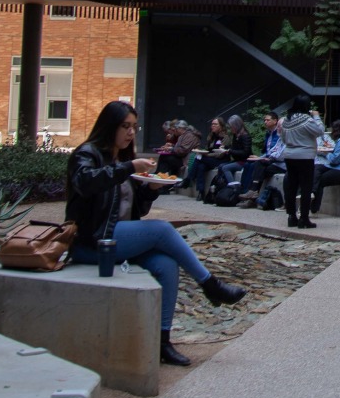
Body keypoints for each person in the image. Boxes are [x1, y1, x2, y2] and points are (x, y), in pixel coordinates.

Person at [67, 101, 245, 366]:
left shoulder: (123, 159)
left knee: (166, 263)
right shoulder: (88, 153)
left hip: (117, 236)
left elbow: (134, 209)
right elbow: (85, 182)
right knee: (162, 230)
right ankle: (210, 284)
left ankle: (163, 341)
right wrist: (128, 169)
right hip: (93, 240)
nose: (130, 132)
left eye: (134, 127)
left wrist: (149, 190)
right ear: (109, 126)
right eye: (125, 126)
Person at [280, 94, 325, 228]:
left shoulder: (286, 120)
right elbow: (320, 131)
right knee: (306, 187)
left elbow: (283, 138)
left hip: (289, 155)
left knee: (291, 186)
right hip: (305, 155)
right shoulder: (306, 120)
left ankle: (291, 216)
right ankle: (304, 218)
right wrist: (316, 116)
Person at [236, 113, 285, 208]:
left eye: (280, 126)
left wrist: (265, 158)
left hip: (282, 164)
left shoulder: (284, 137)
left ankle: (252, 194)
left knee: (258, 166)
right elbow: (274, 151)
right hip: (273, 161)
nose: (265, 122)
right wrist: (263, 157)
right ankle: (250, 194)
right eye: (264, 120)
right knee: (252, 166)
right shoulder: (274, 136)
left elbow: (280, 154)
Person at [206, 114, 253, 201]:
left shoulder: (245, 136)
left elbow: (245, 152)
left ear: (236, 126)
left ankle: (233, 188)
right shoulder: (235, 136)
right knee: (221, 166)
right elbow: (234, 149)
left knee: (226, 168)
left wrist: (229, 151)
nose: (231, 129)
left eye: (232, 126)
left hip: (244, 161)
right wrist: (226, 149)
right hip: (237, 159)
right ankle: (220, 187)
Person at [186, 118, 227, 196]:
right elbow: (207, 149)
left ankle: (188, 179)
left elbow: (220, 154)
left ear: (221, 126)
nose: (213, 126)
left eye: (215, 124)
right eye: (212, 124)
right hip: (209, 160)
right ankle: (201, 192)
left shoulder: (225, 137)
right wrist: (202, 151)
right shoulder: (211, 136)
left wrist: (206, 154)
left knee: (199, 158)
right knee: (201, 166)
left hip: (220, 160)